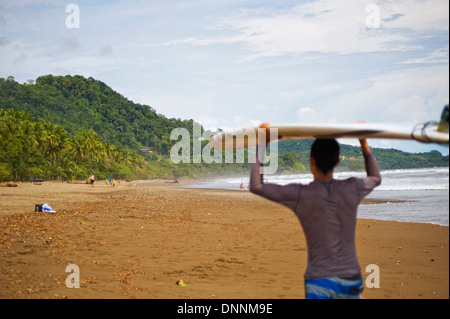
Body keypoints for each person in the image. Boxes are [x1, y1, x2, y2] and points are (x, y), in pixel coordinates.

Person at [250, 125, 381, 299]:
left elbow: (257, 186)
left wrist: (262, 144)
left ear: (311, 160)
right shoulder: (353, 188)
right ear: (337, 162)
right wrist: (363, 141)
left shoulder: (301, 195)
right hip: (351, 278)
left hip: (319, 281)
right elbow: (375, 178)